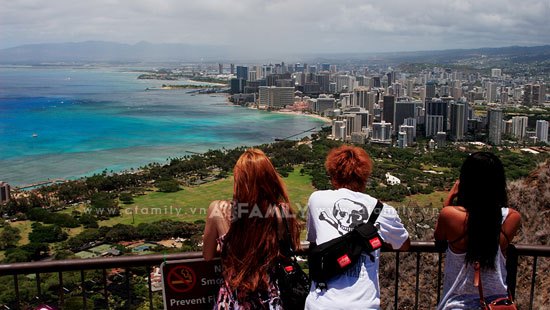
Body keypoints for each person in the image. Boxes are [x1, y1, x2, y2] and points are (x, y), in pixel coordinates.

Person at [305, 145, 410, 309]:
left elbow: (313, 240)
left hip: (321, 302)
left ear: (333, 176)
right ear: (365, 176)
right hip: (364, 304)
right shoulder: (383, 210)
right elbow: (403, 245)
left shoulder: (317, 199)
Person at [202, 148, 301, 309]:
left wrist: (225, 245)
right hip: (272, 299)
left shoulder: (218, 209)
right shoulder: (282, 211)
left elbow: (207, 255)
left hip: (234, 299)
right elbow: (291, 246)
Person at [435, 152, 521, 309]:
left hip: (457, 304)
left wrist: (450, 197)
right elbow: (490, 237)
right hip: (496, 305)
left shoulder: (450, 215)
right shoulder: (512, 218)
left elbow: (439, 237)